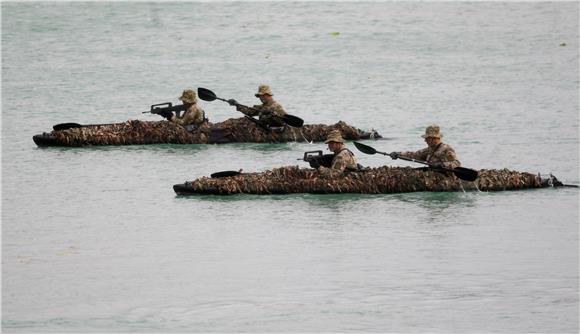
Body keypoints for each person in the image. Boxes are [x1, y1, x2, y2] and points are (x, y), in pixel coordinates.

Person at [392, 124, 461, 169]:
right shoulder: (429, 150)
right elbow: (415, 155)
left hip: (445, 177)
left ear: (435, 138)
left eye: (427, 138)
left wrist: (441, 165)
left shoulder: (447, 149)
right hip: (432, 175)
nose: (425, 140)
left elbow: (456, 164)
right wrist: (398, 154)